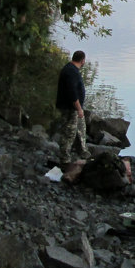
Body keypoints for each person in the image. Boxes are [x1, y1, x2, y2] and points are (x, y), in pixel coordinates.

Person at [55, 50, 89, 178]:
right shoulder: (71, 72)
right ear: (82, 60)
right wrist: (79, 108)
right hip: (71, 108)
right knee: (68, 134)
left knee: (80, 131)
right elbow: (72, 93)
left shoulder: (71, 70)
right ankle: (64, 161)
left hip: (74, 109)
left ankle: (84, 154)